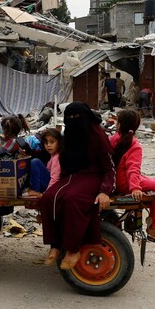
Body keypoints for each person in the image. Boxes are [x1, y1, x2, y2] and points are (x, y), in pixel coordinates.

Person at [39, 102, 115, 269]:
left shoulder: (97, 135)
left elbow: (109, 168)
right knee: (48, 198)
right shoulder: (70, 135)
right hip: (72, 176)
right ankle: (55, 245)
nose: (73, 121)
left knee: (72, 199)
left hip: (93, 176)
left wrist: (104, 191)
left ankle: (73, 249)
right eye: (69, 118)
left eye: (77, 118)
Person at [110, 109, 155, 246]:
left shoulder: (113, 139)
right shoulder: (134, 145)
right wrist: (135, 188)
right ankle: (154, 227)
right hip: (126, 183)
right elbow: (133, 170)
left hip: (116, 180)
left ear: (119, 125)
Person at [25, 128, 62, 199]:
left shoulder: (56, 157)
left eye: (52, 142)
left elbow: (55, 178)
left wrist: (46, 194)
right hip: (48, 184)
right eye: (46, 143)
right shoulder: (53, 155)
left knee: (35, 162)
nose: (48, 145)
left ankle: (35, 189)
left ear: (59, 143)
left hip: (50, 186)